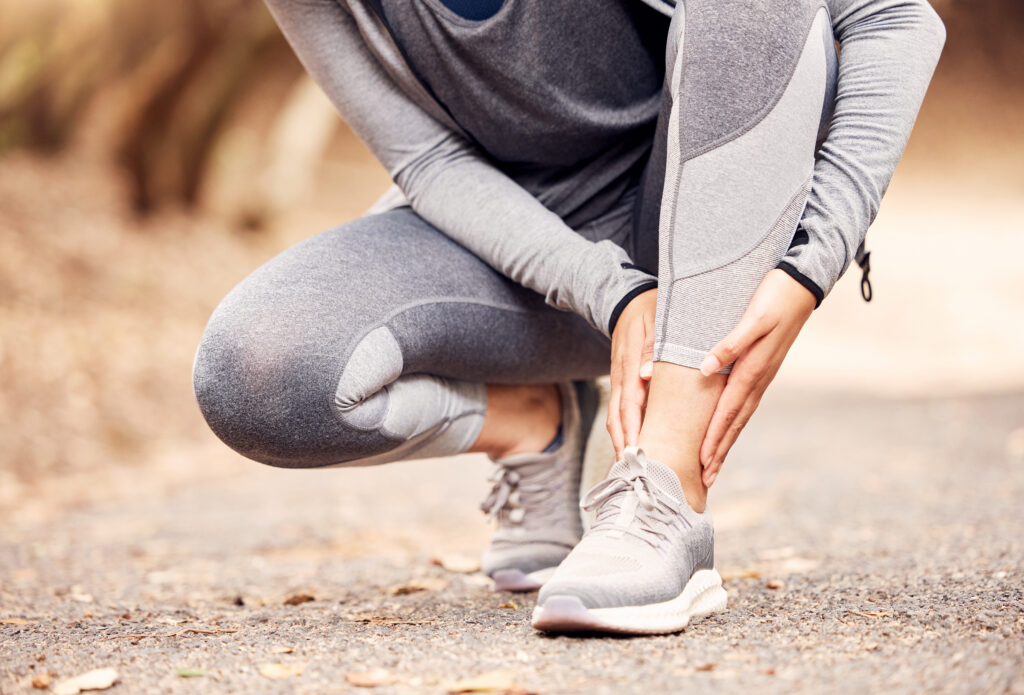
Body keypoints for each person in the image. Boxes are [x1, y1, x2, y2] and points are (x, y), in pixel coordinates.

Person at [192, 0, 944, 635]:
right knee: (257, 374)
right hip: (528, 245)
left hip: (707, 216)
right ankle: (537, 419)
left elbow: (895, 19)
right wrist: (602, 288)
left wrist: (815, 259)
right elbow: (427, 161)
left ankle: (663, 491)